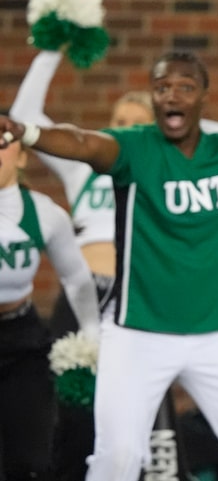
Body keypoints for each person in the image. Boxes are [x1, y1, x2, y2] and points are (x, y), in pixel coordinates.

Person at [0, 50, 218, 481]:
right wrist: (26, 131)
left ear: (203, 98)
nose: (172, 96)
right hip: (136, 332)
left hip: (216, 331)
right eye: (162, 88)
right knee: (115, 460)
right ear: (154, 97)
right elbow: (81, 142)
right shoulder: (134, 146)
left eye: (184, 88)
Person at [0, 110, 100, 481]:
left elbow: (76, 280)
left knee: (31, 460)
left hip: (22, 339)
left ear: (23, 155)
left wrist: (91, 334)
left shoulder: (44, 213)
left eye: (3, 141)